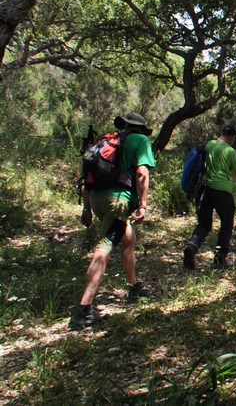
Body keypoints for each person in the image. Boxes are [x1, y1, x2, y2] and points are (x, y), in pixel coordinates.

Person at [70, 112, 155, 329]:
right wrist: (143, 205)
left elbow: (87, 177)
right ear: (140, 128)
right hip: (117, 201)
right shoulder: (140, 140)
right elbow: (142, 173)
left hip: (97, 198)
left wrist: (86, 208)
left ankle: (134, 286)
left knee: (127, 239)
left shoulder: (105, 140)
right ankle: (84, 309)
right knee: (104, 248)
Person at [183, 124, 236, 270]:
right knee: (226, 224)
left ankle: (192, 246)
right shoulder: (230, 151)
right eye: (235, 138)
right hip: (223, 190)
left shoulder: (208, 144)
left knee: (204, 224)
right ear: (232, 137)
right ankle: (219, 258)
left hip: (205, 189)